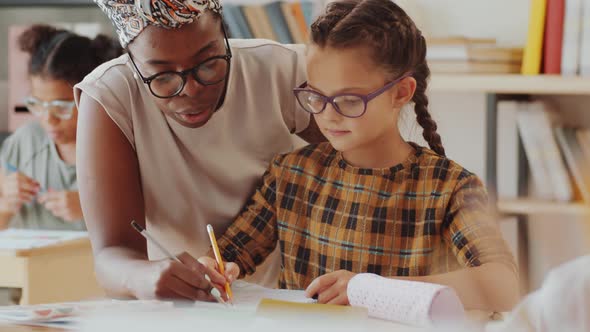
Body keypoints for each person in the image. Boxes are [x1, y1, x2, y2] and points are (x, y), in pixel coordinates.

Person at [200, 0, 520, 311]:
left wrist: (370, 291)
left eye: (349, 100)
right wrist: (213, 267)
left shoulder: (449, 187)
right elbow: (230, 254)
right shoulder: (291, 173)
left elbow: (503, 286)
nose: (327, 115)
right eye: (315, 96)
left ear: (400, 93)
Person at [74, 0, 324, 300]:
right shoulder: (110, 97)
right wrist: (142, 275)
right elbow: (112, 253)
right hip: (183, 309)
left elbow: (364, 164)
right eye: (162, 76)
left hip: (296, 299)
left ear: (225, 34)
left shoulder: (283, 70)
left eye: (208, 63)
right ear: (132, 61)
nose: (190, 90)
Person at [0, 24, 122, 230]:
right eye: (37, 104)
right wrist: (6, 205)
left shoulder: (119, 149)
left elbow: (151, 227)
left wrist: (91, 208)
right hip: (32, 261)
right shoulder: (24, 143)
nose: (48, 119)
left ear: (91, 96)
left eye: (60, 107)